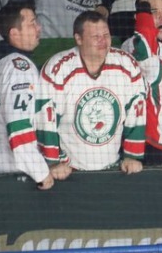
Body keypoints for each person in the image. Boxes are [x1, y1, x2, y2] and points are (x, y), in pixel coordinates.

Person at [40, 10, 147, 173]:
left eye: (106, 35)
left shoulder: (127, 65)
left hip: (113, 168)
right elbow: (45, 120)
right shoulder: (57, 69)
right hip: (68, 170)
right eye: (96, 37)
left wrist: (132, 156)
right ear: (79, 39)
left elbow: (136, 113)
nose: (103, 41)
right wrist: (53, 163)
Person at [0, 4, 70, 189]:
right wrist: (40, 171)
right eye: (32, 23)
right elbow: (18, 126)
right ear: (14, 34)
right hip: (17, 169)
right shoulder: (20, 68)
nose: (39, 28)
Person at [124, 0, 162, 166]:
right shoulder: (134, 45)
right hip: (150, 142)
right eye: (153, 12)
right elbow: (145, 39)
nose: (161, 17)